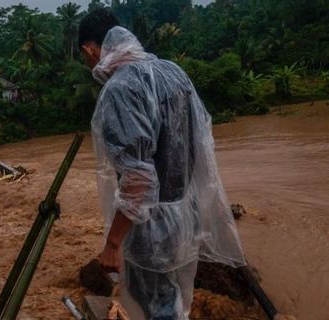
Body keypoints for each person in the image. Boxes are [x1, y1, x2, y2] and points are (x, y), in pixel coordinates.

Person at [78, 9, 246, 319]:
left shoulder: (121, 89)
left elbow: (138, 177)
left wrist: (113, 243)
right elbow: (202, 146)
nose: (89, 64)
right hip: (187, 214)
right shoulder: (173, 72)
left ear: (89, 49)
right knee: (177, 302)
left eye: (86, 57)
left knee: (159, 308)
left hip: (151, 227)